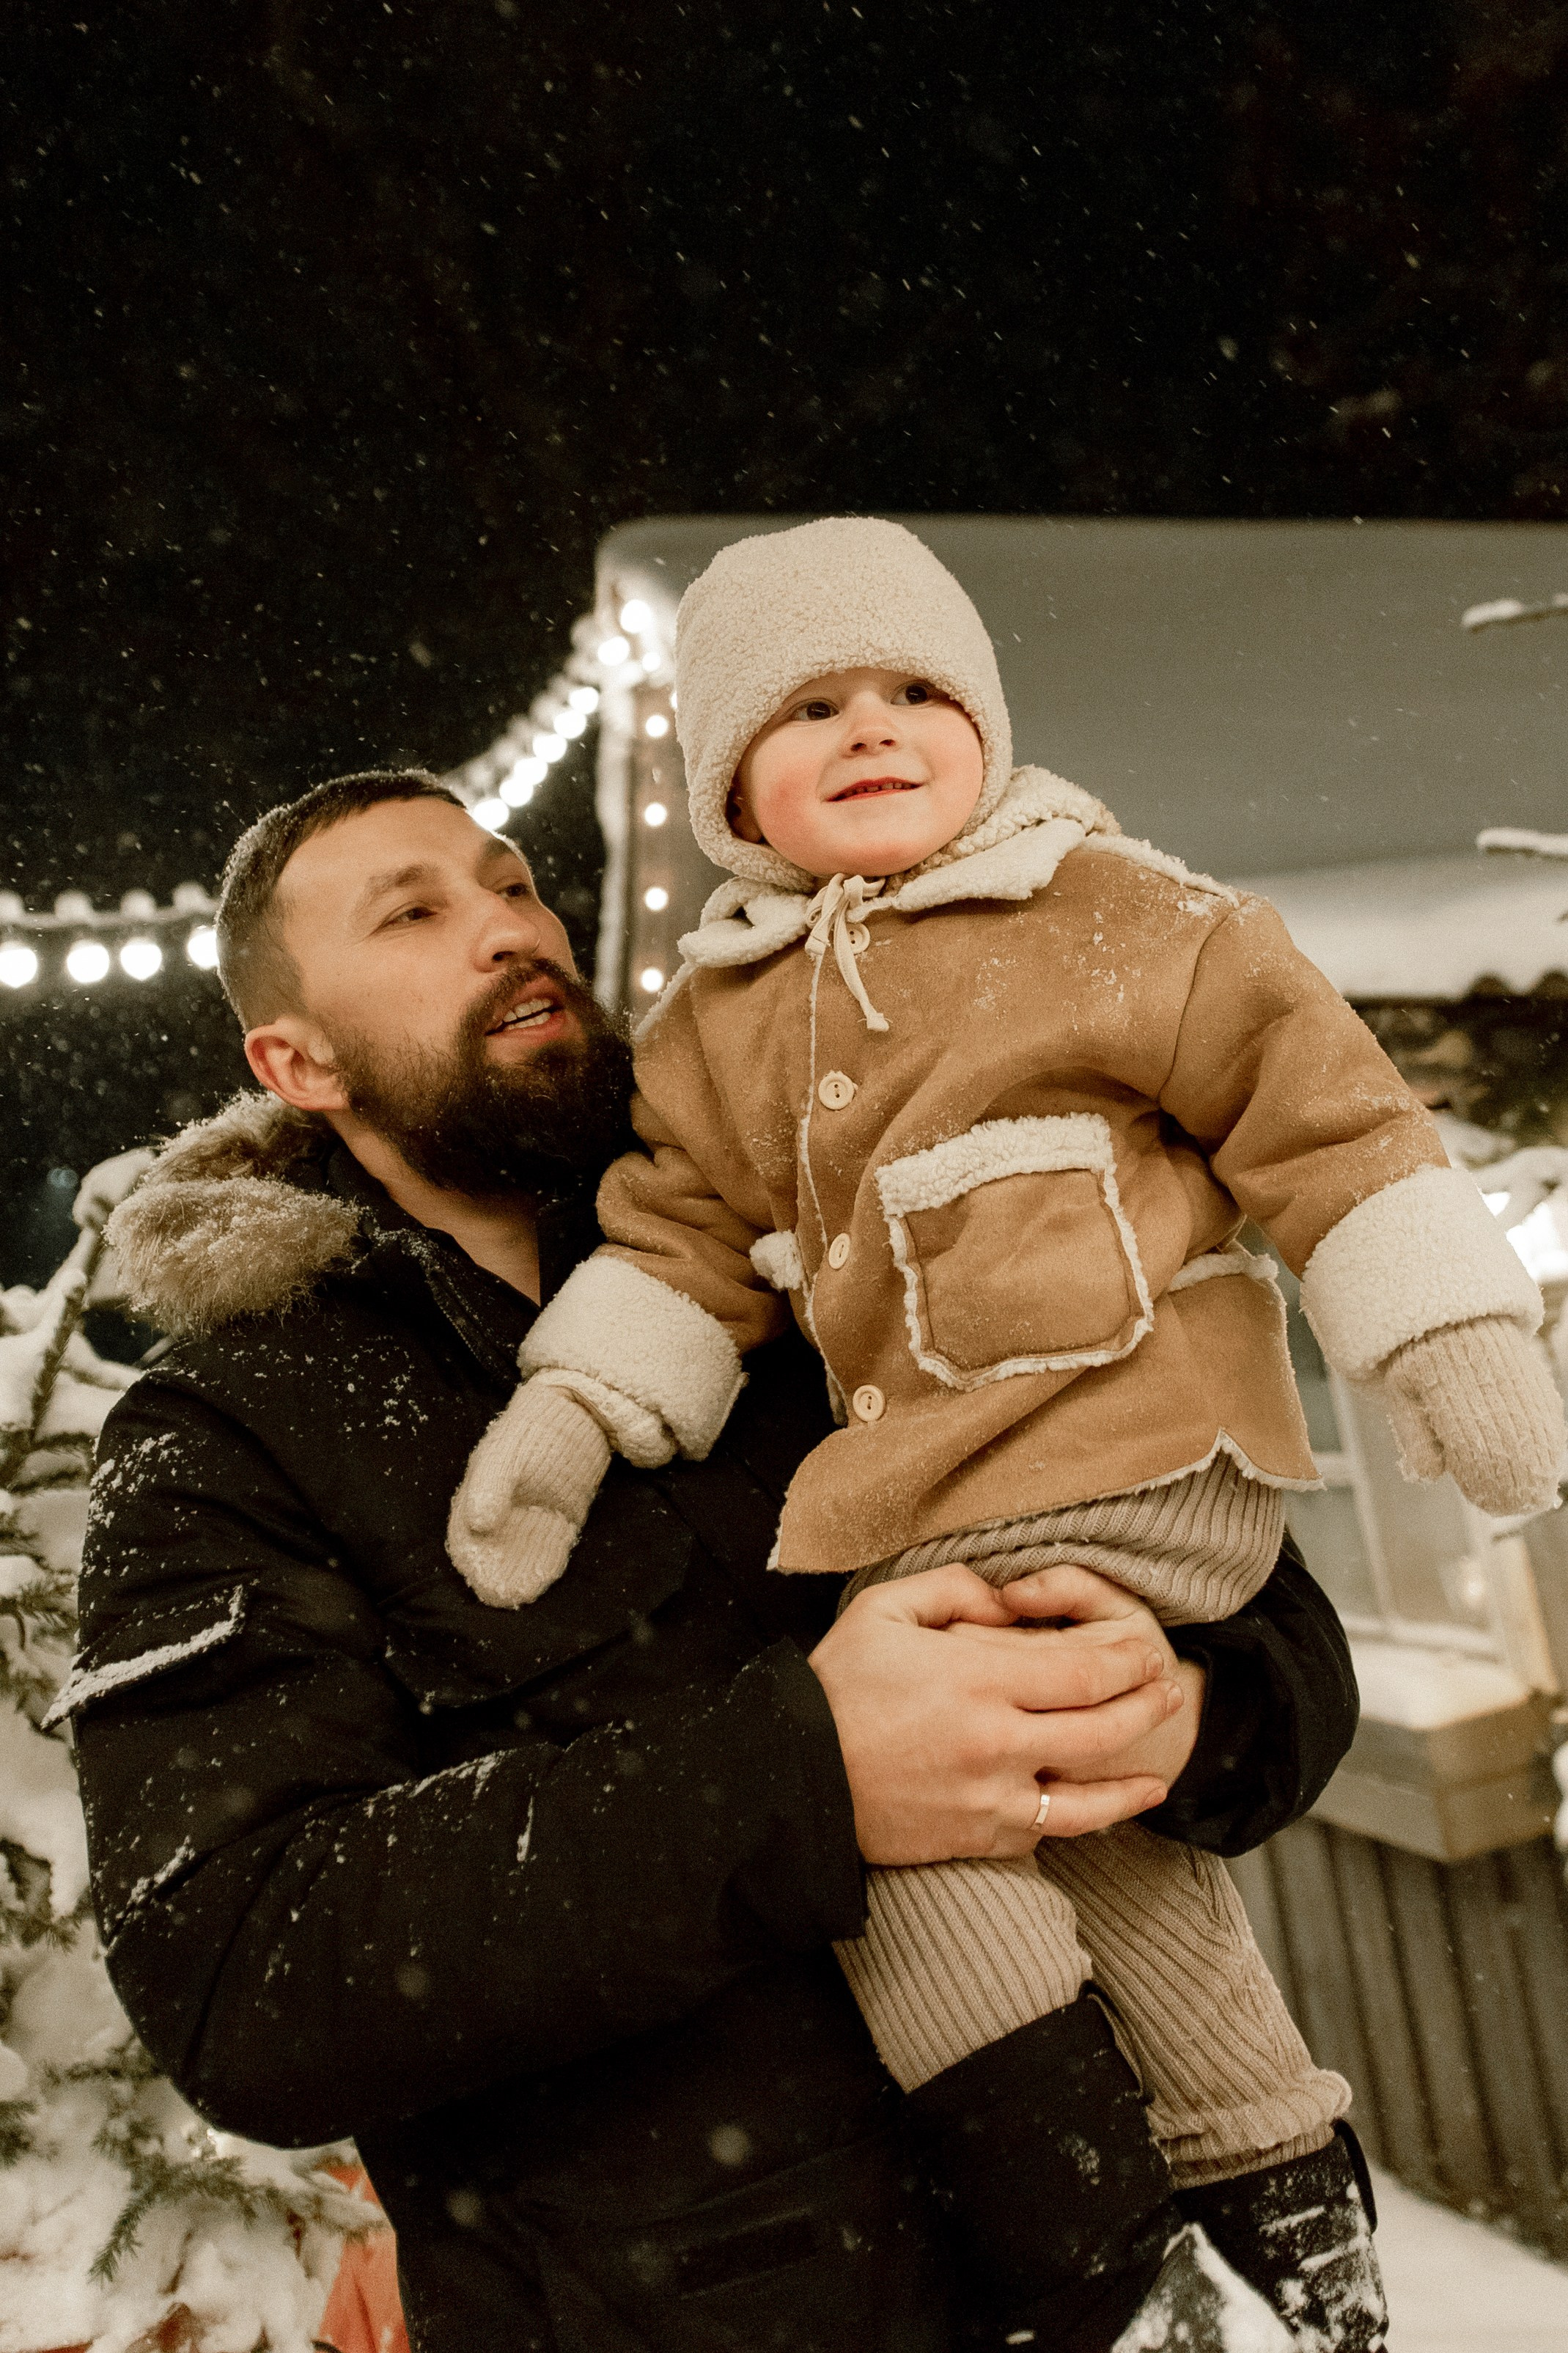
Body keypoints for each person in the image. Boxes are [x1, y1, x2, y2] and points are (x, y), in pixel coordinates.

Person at [449, 522, 1565, 2348]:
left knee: (904, 1861)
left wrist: (1448, 1332)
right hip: (940, 1517)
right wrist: (572, 1414)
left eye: (911, 692)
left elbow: (1324, 1120)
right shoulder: (717, 1030)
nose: (873, 728)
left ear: (982, 722)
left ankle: (1091, 2247)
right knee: (1105, 1836)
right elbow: (669, 1243)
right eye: (811, 707)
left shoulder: (1118, 913)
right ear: (732, 782)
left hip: (1136, 1466)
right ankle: (1292, 2209)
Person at [72, 771, 1361, 2353]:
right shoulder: (235, 1436)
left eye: (513, 885)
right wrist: (804, 1779)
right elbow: (242, 1972)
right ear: (295, 1060)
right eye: (416, 913)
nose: (507, 930)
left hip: (1132, 2278)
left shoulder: (838, 1236)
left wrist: (1177, 1705)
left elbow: (1279, 1640)